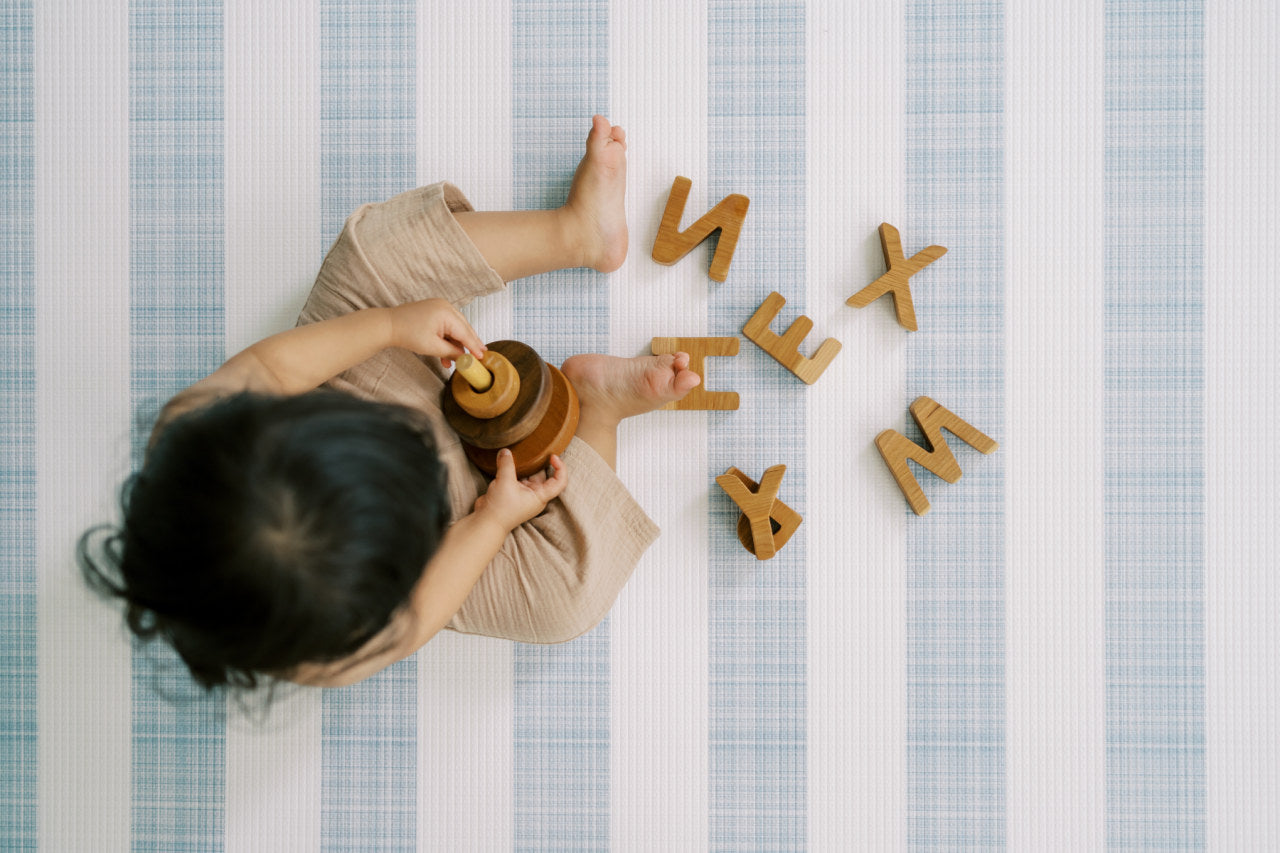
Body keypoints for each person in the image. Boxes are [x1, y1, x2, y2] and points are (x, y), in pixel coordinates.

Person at [80, 115, 701, 690]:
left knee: (370, 258)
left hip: (359, 376)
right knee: (565, 599)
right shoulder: (328, 652)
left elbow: (270, 366)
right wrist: (489, 522)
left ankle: (577, 232)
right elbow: (419, 613)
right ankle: (597, 409)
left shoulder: (192, 429)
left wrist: (388, 327)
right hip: (451, 529)